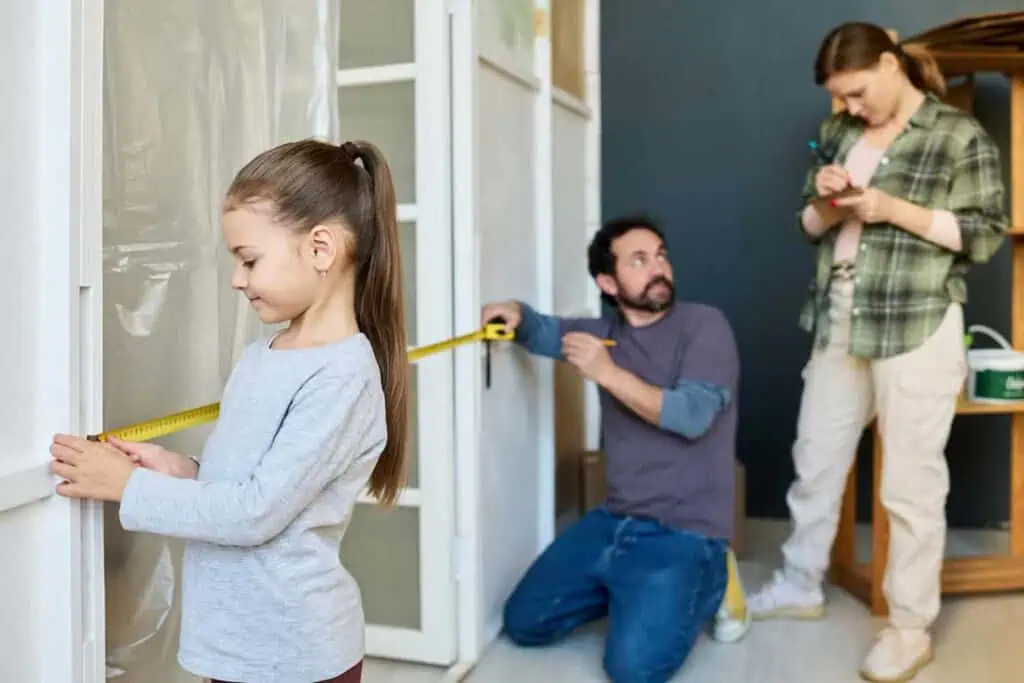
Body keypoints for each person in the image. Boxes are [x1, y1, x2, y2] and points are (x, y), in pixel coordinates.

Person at [49, 138, 409, 683]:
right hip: (240, 646)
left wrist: (128, 487)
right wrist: (179, 471)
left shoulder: (342, 378)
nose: (238, 279)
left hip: (292, 655)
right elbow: (250, 481)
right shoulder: (263, 355)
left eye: (249, 260)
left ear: (320, 249)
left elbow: (255, 513)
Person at [747, 22, 1008, 683]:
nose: (850, 109)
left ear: (892, 66)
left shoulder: (957, 136)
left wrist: (891, 207)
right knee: (815, 458)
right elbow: (807, 224)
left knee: (912, 487)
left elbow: (982, 235)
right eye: (841, 98)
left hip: (917, 323)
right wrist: (829, 203)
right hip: (841, 318)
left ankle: (909, 627)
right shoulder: (839, 135)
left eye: (858, 93)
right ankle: (801, 582)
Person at [484, 215, 744, 683]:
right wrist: (515, 314)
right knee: (524, 623)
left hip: (686, 532)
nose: (658, 268)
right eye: (639, 260)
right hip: (614, 521)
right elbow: (546, 331)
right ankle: (630, 587)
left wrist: (607, 373)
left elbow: (691, 416)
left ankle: (715, 582)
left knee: (633, 670)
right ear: (608, 281)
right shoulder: (605, 335)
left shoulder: (705, 326)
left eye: (661, 255)